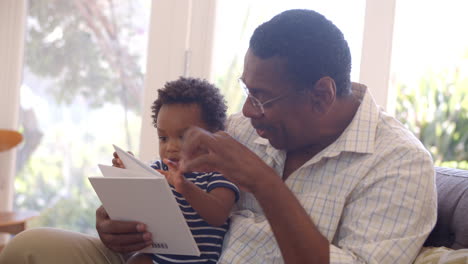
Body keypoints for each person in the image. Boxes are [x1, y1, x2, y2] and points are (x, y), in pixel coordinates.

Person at [0, 9, 436, 264]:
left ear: (321, 94)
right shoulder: (248, 128)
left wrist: (265, 186)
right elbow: (171, 193)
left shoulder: (396, 163)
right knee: (32, 246)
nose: (245, 112)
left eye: (262, 98)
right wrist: (116, 222)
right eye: (246, 91)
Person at [113, 77, 239, 264]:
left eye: (183, 137)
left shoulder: (217, 173)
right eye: (163, 138)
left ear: (213, 136)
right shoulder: (158, 169)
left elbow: (218, 215)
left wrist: (184, 187)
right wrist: (128, 171)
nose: (170, 147)